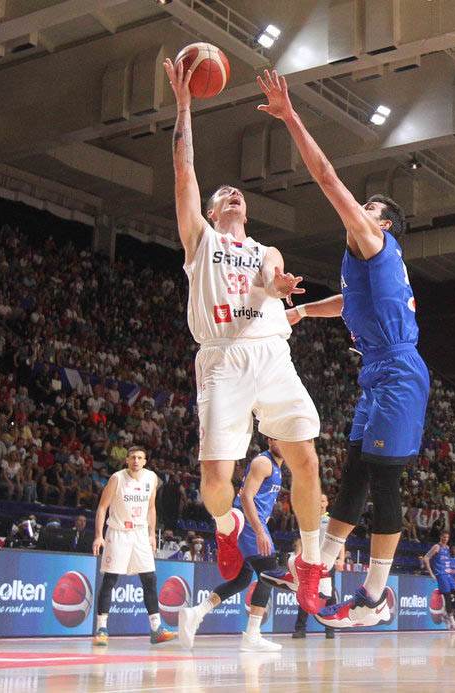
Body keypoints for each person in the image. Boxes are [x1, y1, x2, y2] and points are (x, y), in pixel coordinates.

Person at [254, 69, 430, 630]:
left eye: (371, 206)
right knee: (353, 474)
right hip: (378, 373)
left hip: (398, 373)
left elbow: (329, 180)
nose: (362, 208)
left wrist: (291, 117)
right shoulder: (368, 268)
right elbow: (350, 301)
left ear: (382, 221)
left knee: (383, 480)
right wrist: (306, 310)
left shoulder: (374, 239)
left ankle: (376, 596)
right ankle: (317, 566)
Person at [163, 56, 325, 613]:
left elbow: (271, 277)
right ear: (209, 210)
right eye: (224, 194)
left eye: (239, 195)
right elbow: (185, 173)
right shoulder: (201, 240)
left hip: (270, 354)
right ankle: (226, 524)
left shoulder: (263, 249)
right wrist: (184, 105)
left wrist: (278, 286)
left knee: (306, 460)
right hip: (222, 358)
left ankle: (308, 560)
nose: (233, 196)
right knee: (216, 479)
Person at [179, 437, 286, 652]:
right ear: (269, 439)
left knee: (241, 580)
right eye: (277, 437)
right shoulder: (263, 462)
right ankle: (252, 635)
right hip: (248, 523)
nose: (282, 442)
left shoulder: (277, 467)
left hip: (252, 523)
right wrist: (258, 530)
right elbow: (246, 496)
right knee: (269, 574)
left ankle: (196, 613)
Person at [92, 446, 175, 646]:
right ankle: (101, 629)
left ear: (145, 461)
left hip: (140, 533)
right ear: (126, 460)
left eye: (139, 458)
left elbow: (152, 508)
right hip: (118, 532)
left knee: (149, 579)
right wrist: (98, 536)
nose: (136, 461)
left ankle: (156, 629)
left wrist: (152, 534)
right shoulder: (117, 479)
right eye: (132, 458)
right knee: (110, 579)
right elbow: (102, 507)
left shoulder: (151, 478)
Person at [293, 494, 341, 639]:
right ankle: (300, 629)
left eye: (323, 500)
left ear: (326, 503)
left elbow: (340, 540)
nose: (320, 503)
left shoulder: (331, 521)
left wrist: (341, 558)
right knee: (306, 593)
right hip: (310, 562)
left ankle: (330, 628)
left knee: (330, 596)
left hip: (327, 563)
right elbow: (300, 540)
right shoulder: (309, 519)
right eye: (318, 500)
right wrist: (298, 555)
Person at [422, 532, 455, 631]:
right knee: (447, 596)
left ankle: (446, 613)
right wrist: (431, 573)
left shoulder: (448, 548)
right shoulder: (436, 547)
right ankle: (452, 621)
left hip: (449, 575)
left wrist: (452, 572)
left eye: (447, 537)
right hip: (441, 575)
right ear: (440, 537)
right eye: (444, 537)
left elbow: (446, 563)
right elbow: (426, 558)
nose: (445, 539)